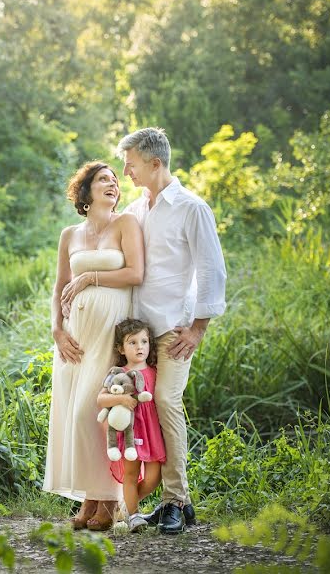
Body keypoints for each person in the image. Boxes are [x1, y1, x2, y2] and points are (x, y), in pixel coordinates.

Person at [118, 127, 227, 534]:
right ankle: (158, 501)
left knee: (165, 400)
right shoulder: (134, 210)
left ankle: (175, 501)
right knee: (141, 408)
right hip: (138, 333)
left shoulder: (191, 208)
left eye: (130, 162)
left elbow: (211, 269)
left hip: (174, 330)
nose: (126, 170)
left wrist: (198, 328)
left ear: (154, 163)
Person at [43, 161, 144, 532]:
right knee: (73, 416)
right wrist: (57, 330)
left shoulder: (126, 224)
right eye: (103, 179)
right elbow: (58, 288)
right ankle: (91, 499)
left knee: (94, 414)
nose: (113, 184)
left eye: (115, 180)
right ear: (84, 192)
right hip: (74, 338)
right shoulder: (69, 234)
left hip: (107, 333)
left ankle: (111, 501)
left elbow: (135, 273)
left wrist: (90, 277)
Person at [97, 318, 166, 532]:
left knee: (154, 478)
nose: (140, 347)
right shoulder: (119, 373)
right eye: (133, 342)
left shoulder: (156, 371)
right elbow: (101, 399)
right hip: (130, 431)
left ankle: (124, 506)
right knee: (131, 473)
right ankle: (134, 516)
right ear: (121, 348)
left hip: (152, 430)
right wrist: (121, 400)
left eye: (144, 342)